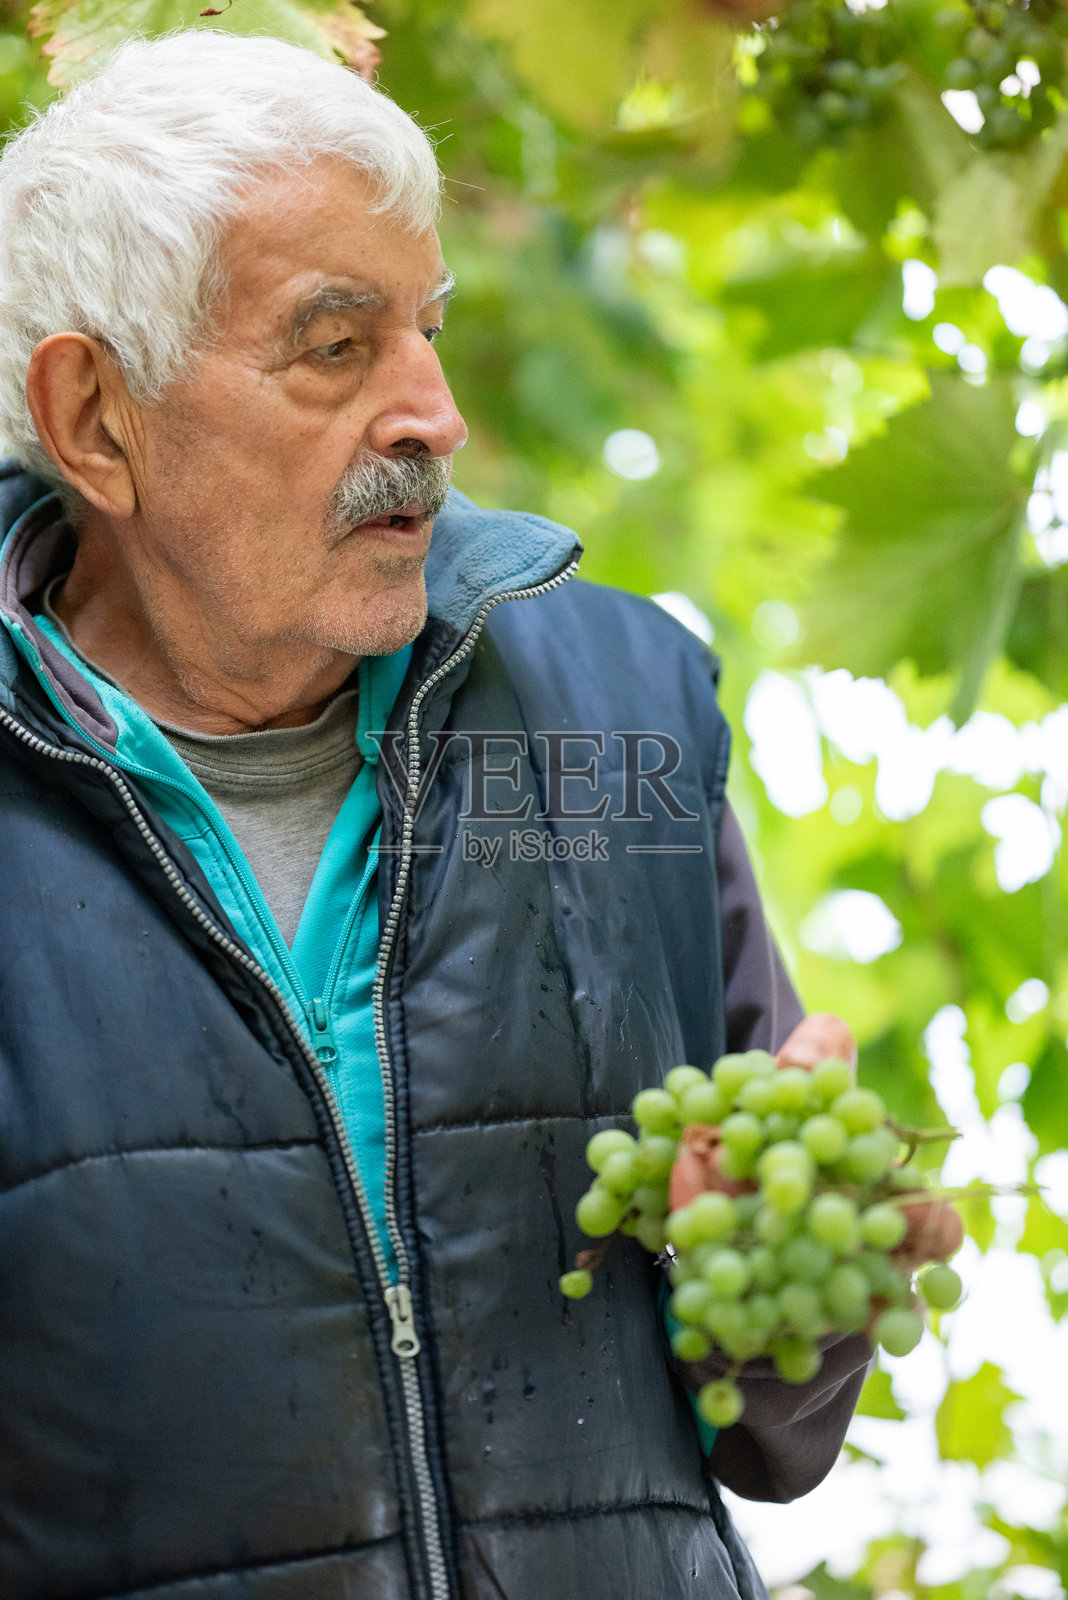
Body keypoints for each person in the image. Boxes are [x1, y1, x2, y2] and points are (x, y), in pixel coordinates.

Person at [0, 32, 875, 1599]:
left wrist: (802, 1305)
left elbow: (773, 1430)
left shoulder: (627, 710)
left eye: (430, 329)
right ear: (96, 420)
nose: (436, 415)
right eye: (337, 347)